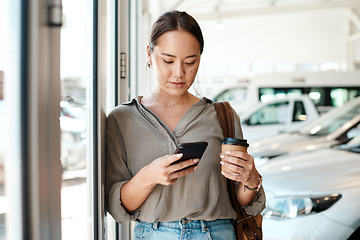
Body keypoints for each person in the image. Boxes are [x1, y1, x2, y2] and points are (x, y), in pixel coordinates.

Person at [106, 10, 265, 240]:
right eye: (168, 60)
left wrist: (251, 180)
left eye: (190, 62)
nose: (179, 73)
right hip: (153, 234)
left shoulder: (223, 116)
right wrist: (149, 176)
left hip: (216, 233)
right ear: (149, 54)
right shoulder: (121, 119)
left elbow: (241, 200)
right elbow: (119, 207)